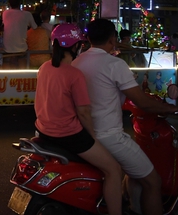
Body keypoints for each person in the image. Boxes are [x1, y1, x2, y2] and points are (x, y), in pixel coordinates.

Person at [72, 18, 178, 215]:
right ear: (113, 38)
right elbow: (142, 102)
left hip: (85, 133)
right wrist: (168, 109)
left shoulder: (77, 61)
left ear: (88, 38)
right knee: (153, 182)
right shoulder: (115, 64)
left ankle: (132, 207)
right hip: (109, 136)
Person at [35, 23, 122, 215]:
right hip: (68, 134)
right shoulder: (74, 74)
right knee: (114, 170)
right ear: (76, 46)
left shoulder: (44, 68)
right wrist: (93, 138)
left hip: (43, 130)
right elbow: (84, 112)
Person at [2, 0, 37, 68]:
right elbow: (35, 27)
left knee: (7, 75)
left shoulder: (5, 13)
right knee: (22, 74)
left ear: (9, 4)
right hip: (22, 48)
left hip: (7, 49)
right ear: (20, 3)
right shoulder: (27, 14)